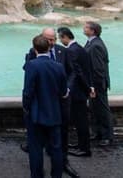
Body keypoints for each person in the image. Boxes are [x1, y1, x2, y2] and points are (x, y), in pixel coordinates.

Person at [25, 28, 78, 178]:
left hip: (43, 110)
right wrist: (64, 92)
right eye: (49, 40)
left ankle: (42, 173)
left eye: (54, 39)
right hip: (55, 109)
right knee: (55, 146)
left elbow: (28, 91)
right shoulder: (55, 65)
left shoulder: (62, 52)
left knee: (45, 146)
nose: (52, 42)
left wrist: (26, 108)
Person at [58, 27, 93, 159]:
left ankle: (84, 148)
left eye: (61, 38)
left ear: (65, 37)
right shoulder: (79, 48)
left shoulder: (71, 51)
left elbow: (77, 72)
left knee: (81, 121)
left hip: (77, 92)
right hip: (81, 90)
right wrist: (89, 87)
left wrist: (87, 88)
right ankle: (81, 145)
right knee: (80, 120)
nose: (61, 41)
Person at [83, 21, 113, 146]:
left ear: (93, 31)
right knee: (95, 109)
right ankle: (98, 132)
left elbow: (98, 68)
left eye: (86, 27)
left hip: (98, 84)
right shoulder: (92, 42)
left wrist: (94, 86)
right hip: (94, 83)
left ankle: (107, 136)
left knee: (102, 109)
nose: (84, 29)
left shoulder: (95, 45)